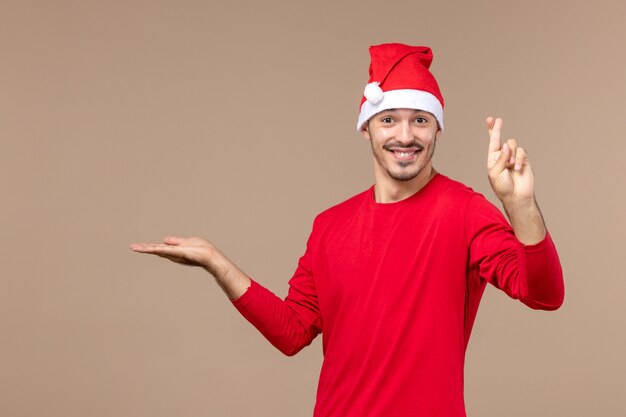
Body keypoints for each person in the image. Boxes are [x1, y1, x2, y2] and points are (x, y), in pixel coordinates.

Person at [131, 43, 564, 417]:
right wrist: (215, 261)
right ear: (367, 129)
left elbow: (544, 294)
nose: (405, 135)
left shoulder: (465, 210)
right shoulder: (330, 226)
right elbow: (292, 331)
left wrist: (519, 204)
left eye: (420, 120)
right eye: (389, 119)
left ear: (437, 129)